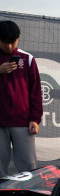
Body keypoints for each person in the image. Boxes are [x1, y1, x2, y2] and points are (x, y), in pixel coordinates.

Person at [0, 20, 43, 177]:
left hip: (23, 122)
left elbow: (36, 92)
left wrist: (35, 119)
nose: (9, 47)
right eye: (5, 42)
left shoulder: (28, 59)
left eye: (13, 42)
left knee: (29, 168)